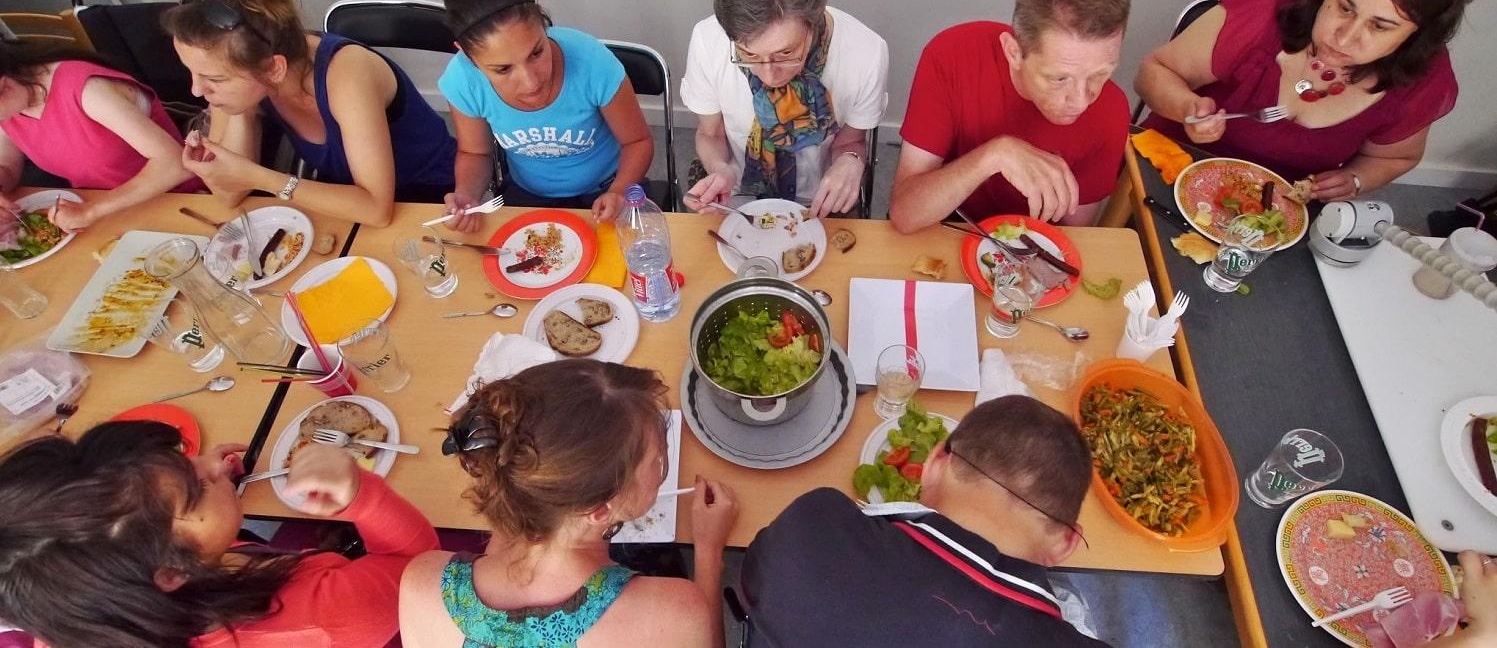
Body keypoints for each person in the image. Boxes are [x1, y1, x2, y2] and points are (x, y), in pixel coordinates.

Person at [0, 420, 438, 647]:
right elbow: (419, 567)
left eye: (182, 459)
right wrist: (360, 494)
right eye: (198, 488)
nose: (212, 466)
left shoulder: (66, 601)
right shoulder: (318, 618)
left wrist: (197, 482)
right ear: (170, 572)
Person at [1135, 0, 1476, 200]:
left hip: (1273, 209)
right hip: (1172, 168)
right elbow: (1153, 72)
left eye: (1380, 26)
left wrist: (1357, 179)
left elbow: (1396, 156)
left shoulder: (1424, 78)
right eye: (1345, 7)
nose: (1345, 37)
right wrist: (1185, 107)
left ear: (1418, 34)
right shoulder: (1265, 9)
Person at [400, 360, 738, 648]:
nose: (661, 464)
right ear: (600, 510)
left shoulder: (422, 583)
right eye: (656, 462)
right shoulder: (671, 612)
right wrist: (709, 551)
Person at [740, 396, 1106, 646]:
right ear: (1066, 543)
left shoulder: (813, 532)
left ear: (931, 464)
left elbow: (751, 584)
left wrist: (709, 553)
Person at [164, 0, 456, 227]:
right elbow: (229, 196)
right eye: (193, 72)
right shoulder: (245, 79)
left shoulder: (346, 75)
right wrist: (244, 111)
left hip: (433, 199)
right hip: (345, 207)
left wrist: (259, 177)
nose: (197, 90)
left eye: (214, 79)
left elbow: (377, 210)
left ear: (273, 68)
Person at [890, 0, 1131, 233]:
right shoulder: (951, 56)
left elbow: (1075, 237)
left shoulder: (1111, 112)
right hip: (944, 224)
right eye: (1059, 78)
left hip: (1032, 243)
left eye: (1100, 75)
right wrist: (994, 155)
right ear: (1013, 53)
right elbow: (905, 214)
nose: (1080, 101)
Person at [681, 0, 889, 218]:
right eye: (748, 54)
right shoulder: (708, 40)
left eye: (786, 54)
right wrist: (720, 169)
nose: (768, 76)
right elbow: (710, 133)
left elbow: (850, 141)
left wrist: (851, 161)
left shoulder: (866, 52)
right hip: (738, 196)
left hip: (819, 203)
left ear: (814, 20)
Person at [438, 0, 653, 228]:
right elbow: (475, 153)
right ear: (467, 55)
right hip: (528, 194)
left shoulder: (592, 63)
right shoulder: (462, 81)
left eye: (536, 53)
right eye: (503, 69)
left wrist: (619, 191)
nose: (530, 83)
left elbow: (638, 142)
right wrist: (468, 196)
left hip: (608, 186)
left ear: (542, 19)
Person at [0, 41, 197, 231]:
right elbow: (7, 165)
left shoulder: (87, 90)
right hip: (108, 213)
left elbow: (174, 164)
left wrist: (92, 211)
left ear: (4, 86)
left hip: (179, 201)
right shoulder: (12, 106)